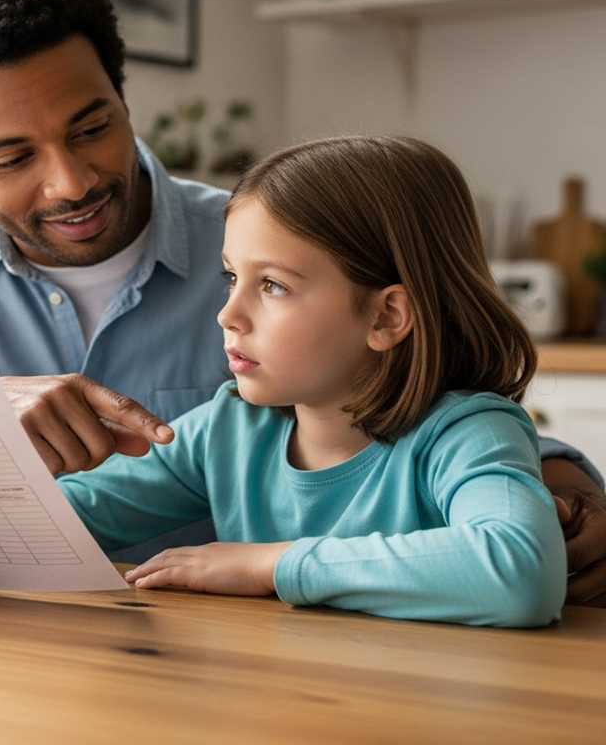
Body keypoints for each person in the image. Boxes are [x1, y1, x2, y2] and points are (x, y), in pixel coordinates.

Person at [0, 0, 606, 601]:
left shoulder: (252, 228)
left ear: (127, 100)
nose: (73, 180)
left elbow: (482, 455)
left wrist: (563, 494)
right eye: (12, 155)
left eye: (92, 127)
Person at [60, 135, 564, 626]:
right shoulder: (230, 429)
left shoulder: (466, 434)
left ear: (387, 317)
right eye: (231, 278)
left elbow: (522, 570)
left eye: (273, 285)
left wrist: (272, 565)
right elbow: (58, 522)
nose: (227, 315)